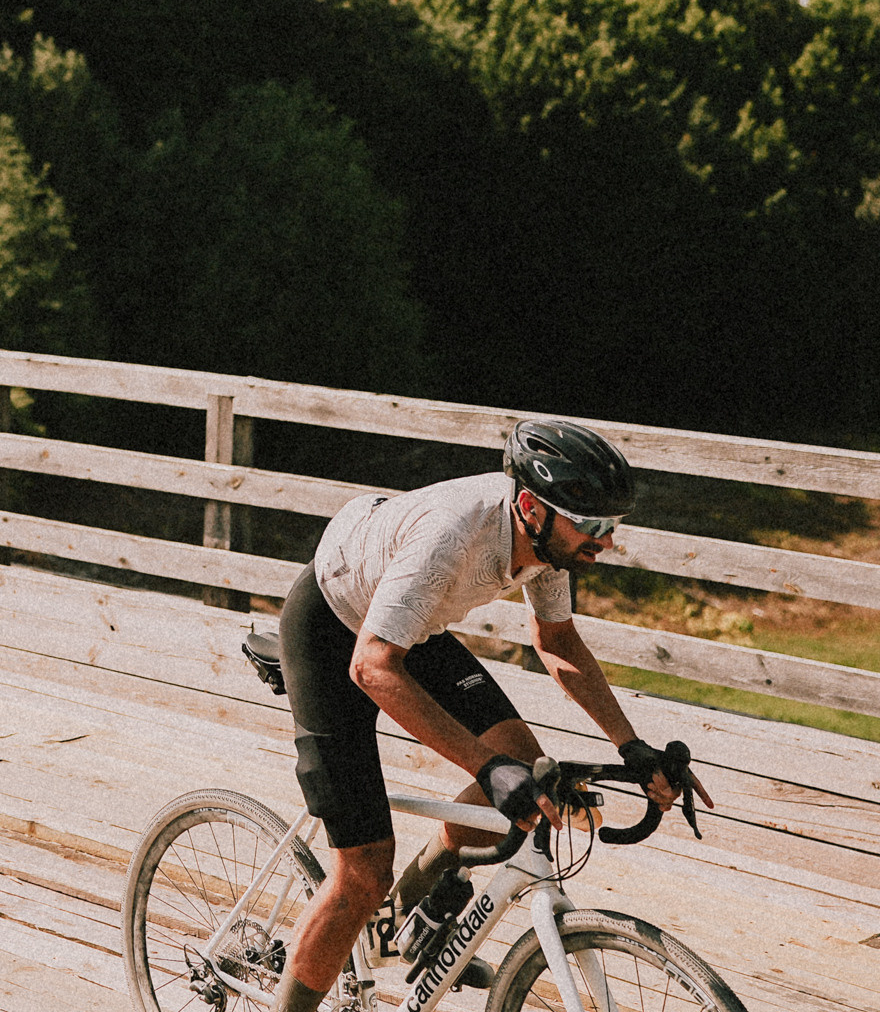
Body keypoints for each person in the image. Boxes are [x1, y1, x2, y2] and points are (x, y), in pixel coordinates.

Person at [268, 419, 710, 1012]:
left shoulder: (549, 542)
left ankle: (403, 923)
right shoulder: (454, 534)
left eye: (611, 526)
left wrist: (633, 746)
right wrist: (486, 766)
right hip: (332, 631)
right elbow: (372, 668)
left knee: (528, 767)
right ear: (530, 505)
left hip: (408, 630)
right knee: (363, 873)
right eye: (591, 526)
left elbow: (556, 640)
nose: (604, 542)